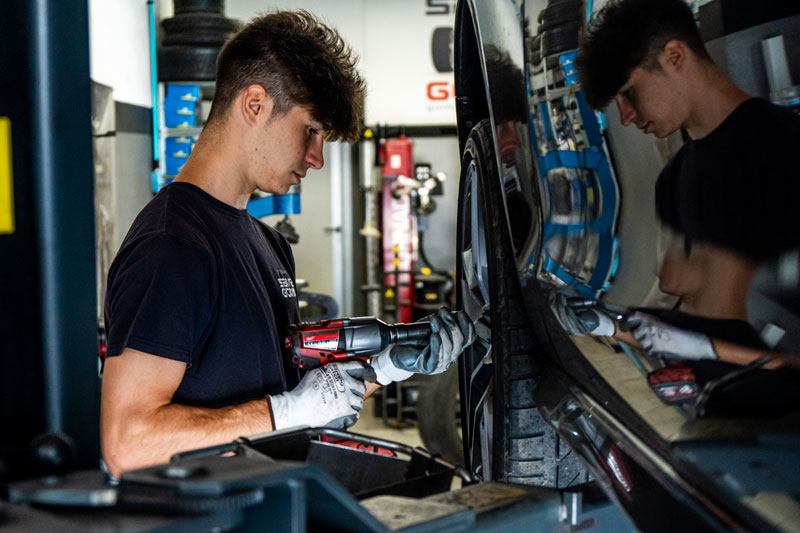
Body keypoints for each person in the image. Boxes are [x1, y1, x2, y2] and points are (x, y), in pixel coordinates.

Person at [101, 10, 474, 478]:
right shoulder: (172, 245)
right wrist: (286, 412)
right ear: (254, 104)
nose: (316, 159)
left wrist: (385, 368)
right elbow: (129, 443)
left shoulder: (268, 244)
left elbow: (293, 397)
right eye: (312, 131)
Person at [567, 0, 800, 367]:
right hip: (718, 400)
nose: (626, 118)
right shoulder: (673, 180)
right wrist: (607, 325)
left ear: (674, 57)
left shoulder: (782, 147)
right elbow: (697, 314)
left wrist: (707, 347)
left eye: (628, 92)